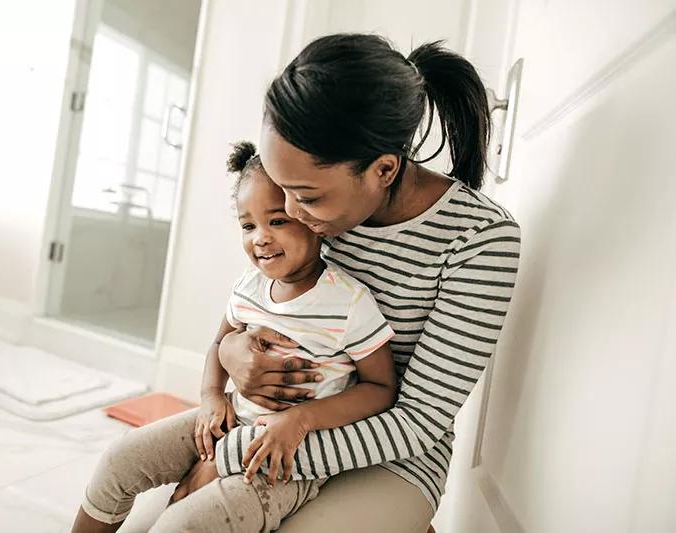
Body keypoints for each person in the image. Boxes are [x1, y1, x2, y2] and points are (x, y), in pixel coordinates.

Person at [171, 34, 522, 532]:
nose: (289, 214)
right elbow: (248, 313)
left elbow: (417, 421)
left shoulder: (481, 240)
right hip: (266, 424)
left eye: (306, 197)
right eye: (281, 189)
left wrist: (232, 457)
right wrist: (231, 354)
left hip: (390, 454)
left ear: (383, 170)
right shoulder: (320, 214)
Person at [71, 141, 400, 532]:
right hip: (228, 420)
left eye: (277, 221)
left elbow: (381, 387)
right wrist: (211, 397)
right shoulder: (248, 286)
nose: (260, 237)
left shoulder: (348, 302)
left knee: (184, 523)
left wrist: (299, 420)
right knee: (119, 459)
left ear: (311, 218)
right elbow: (218, 345)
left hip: (286, 460)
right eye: (248, 225)